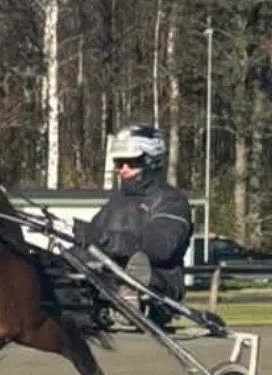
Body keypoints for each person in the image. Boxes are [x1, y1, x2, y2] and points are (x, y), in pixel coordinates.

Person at [75, 124, 193, 312]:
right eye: (119, 163)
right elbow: (90, 244)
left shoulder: (171, 200)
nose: (123, 169)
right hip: (106, 280)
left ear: (152, 161)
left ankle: (129, 299)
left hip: (157, 286)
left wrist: (103, 240)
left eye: (131, 162)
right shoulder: (115, 201)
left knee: (137, 270)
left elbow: (160, 248)